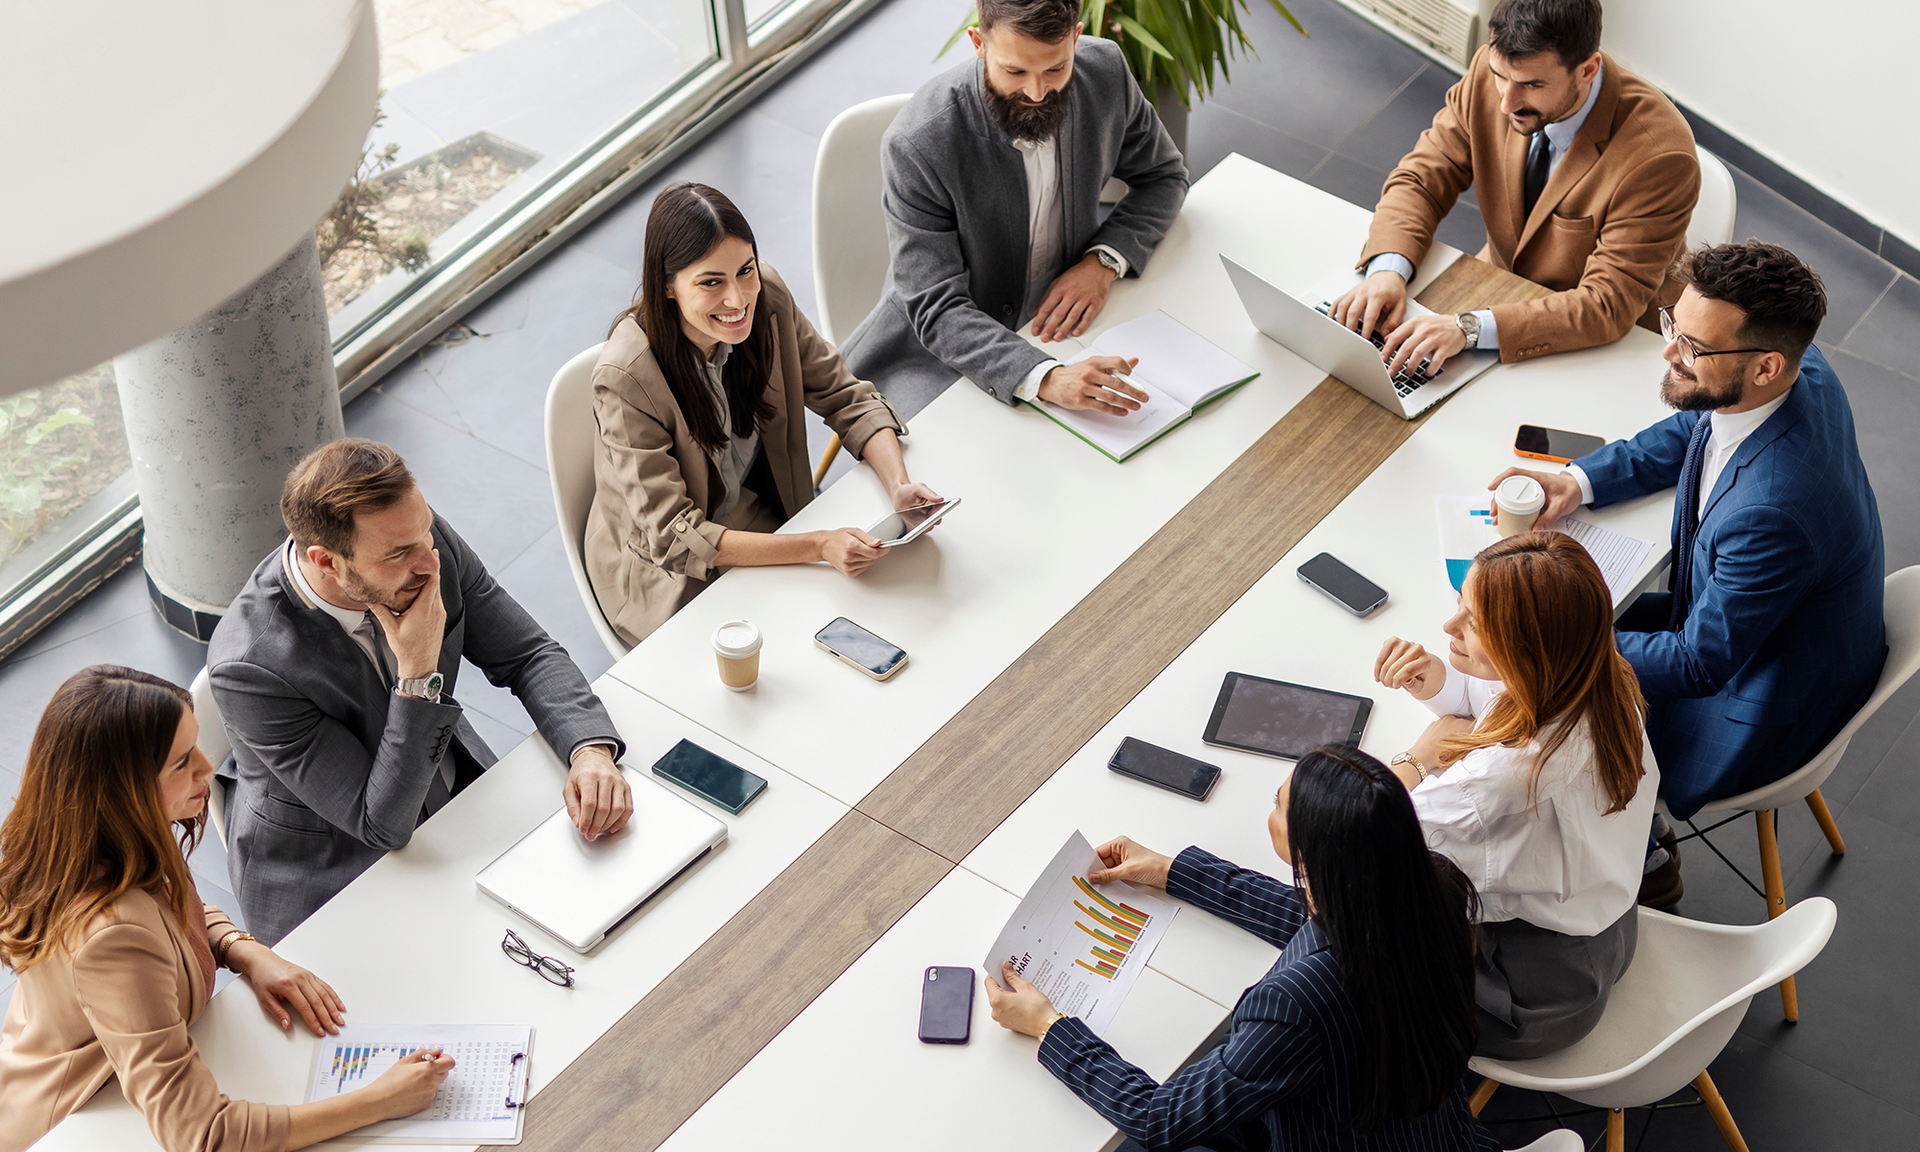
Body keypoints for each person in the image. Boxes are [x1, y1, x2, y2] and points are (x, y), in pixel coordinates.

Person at [1489, 241, 1886, 888]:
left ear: (1765, 367)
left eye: (1693, 348)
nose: (1669, 349)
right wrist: (1581, 482)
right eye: (1674, 321)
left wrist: (1552, 647)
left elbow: (1701, 663)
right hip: (1779, 630)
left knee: (1538, 699)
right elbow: (1695, 428)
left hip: (1759, 702)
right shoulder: (1795, 373)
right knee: (1553, 607)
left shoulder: (1774, 513)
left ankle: (1645, 856)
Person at [0, 666, 454, 1152]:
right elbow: (205, 1135)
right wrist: (379, 1100)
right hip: (80, 1125)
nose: (207, 768)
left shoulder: (106, 838)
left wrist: (245, 950)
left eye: (195, 747)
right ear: (122, 790)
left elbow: (176, 915)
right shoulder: (111, 936)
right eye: (180, 763)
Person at [209, 438, 632, 946]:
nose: (428, 563)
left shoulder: (420, 544)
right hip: (335, 870)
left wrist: (589, 752)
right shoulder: (250, 666)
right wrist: (416, 672)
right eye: (398, 553)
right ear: (325, 561)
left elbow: (528, 654)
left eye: (425, 532)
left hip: (447, 787)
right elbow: (380, 824)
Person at [984, 745, 1498, 1152]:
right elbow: (1312, 919)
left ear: (1308, 851)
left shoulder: (1297, 1004)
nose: (1270, 808)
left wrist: (1050, 1028)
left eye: (1278, 803)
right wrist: (1173, 872)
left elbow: (1161, 1120)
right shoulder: (1432, 892)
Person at [586, 183, 940, 647]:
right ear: (667, 285)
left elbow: (845, 396)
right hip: (672, 579)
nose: (737, 299)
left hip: (761, 517)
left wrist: (899, 485)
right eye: (711, 282)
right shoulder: (626, 377)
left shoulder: (766, 297)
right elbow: (677, 537)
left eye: (745, 270)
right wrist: (817, 545)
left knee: (899, 612)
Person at [1375, 532, 1657, 1057]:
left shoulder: (1498, 782)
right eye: (1460, 604)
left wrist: (1413, 762)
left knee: (1350, 937)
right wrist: (1440, 684)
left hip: (1530, 1000)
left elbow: (1365, 836)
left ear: (1527, 647)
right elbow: (1494, 697)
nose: (1447, 628)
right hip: (1607, 933)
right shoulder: (1601, 678)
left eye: (1474, 624)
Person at [838, 0, 1188, 419]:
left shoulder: (1106, 71)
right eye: (1015, 72)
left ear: (1076, 38)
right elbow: (936, 306)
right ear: (978, 43)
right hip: (940, 351)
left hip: (1069, 323)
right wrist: (1046, 377)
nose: (1038, 94)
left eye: (1056, 69)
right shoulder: (919, 143)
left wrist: (1102, 262)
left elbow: (1164, 175)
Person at [1331, 0, 1698, 378]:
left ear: (1588, 70)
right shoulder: (1494, 73)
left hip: (1609, 344)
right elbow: (1422, 178)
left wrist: (1469, 329)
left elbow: (1607, 305)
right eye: (1499, 76)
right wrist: (1387, 270)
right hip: (1499, 291)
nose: (1507, 101)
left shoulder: (1660, 156)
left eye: (1532, 85)